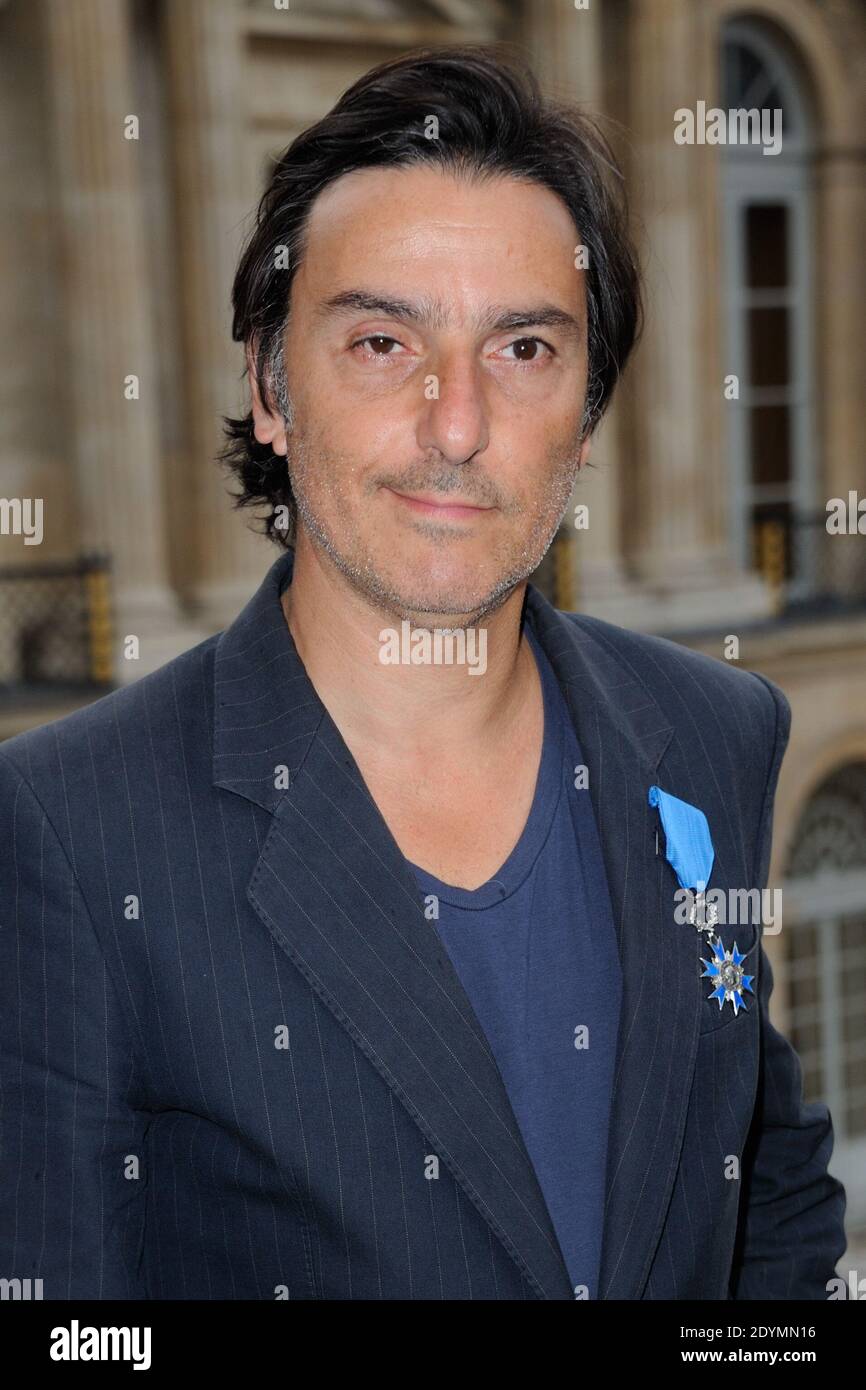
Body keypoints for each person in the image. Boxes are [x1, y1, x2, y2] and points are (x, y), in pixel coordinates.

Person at [0, 45, 846, 1301]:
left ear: (586, 412)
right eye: (384, 340)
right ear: (270, 389)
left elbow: (763, 1186)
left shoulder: (711, 728)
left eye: (521, 350)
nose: (456, 424)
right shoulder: (70, 828)